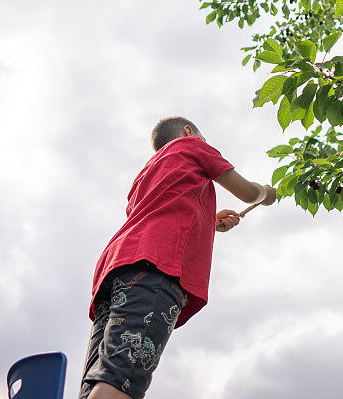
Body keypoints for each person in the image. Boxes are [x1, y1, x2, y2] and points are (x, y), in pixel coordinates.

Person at [79, 116, 276, 399]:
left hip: (116, 267)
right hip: (155, 267)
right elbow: (247, 192)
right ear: (188, 132)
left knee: (100, 378)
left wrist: (209, 220)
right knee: (121, 379)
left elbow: (161, 212)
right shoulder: (191, 145)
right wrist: (265, 194)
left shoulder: (145, 174)